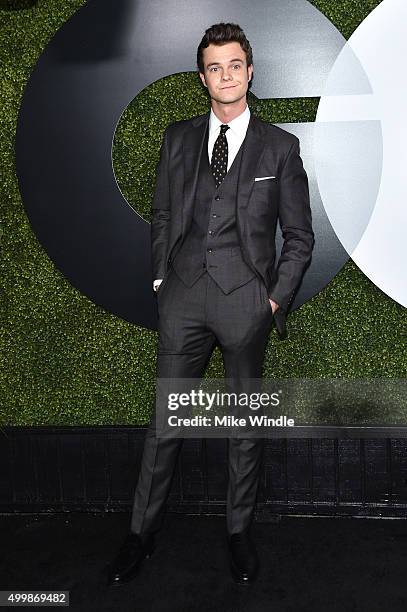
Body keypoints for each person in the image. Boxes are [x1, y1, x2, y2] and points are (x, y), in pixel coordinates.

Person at [107, 22, 314, 587]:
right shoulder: (176, 138)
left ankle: (239, 532)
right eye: (214, 67)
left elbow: (299, 237)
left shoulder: (281, 147)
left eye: (235, 65)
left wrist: (271, 301)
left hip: (246, 300)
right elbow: (165, 215)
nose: (226, 75)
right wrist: (160, 281)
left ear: (249, 71)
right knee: (164, 424)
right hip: (182, 297)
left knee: (244, 423)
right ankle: (140, 535)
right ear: (204, 78)